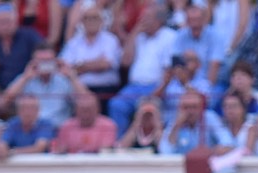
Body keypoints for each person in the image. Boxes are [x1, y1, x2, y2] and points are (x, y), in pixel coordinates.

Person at [109, 4, 177, 136]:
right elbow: (125, 62)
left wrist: (156, 93)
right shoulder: (139, 36)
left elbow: (169, 72)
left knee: (148, 107)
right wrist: (135, 32)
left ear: (159, 20)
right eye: (142, 18)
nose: (143, 22)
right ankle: (119, 144)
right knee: (116, 104)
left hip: (156, 86)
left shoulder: (169, 37)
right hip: (134, 87)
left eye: (147, 18)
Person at [2, 43, 88, 129]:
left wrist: (72, 77)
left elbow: (87, 102)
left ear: (55, 61)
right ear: (33, 61)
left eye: (48, 60)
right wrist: (24, 78)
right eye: (41, 60)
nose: (45, 63)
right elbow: (4, 102)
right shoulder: (25, 78)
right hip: (32, 130)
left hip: (59, 129)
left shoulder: (65, 79)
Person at [58, 4, 122, 111]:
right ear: (81, 22)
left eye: (95, 18)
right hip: (78, 88)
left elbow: (106, 64)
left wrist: (79, 67)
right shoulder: (74, 43)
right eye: (87, 18)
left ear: (102, 21)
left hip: (105, 89)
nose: (91, 21)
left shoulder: (110, 40)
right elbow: (63, 67)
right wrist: (95, 64)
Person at [157, 88, 233, 154]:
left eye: (194, 107)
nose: (190, 111)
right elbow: (165, 151)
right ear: (180, 108)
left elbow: (227, 141)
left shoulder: (209, 117)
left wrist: (214, 151)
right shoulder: (176, 121)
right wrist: (176, 127)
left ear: (201, 108)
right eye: (186, 107)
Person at [0, 2, 43, 92]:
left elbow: (45, 53)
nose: (4, 26)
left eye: (7, 21)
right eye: (0, 22)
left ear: (16, 22)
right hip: (0, 92)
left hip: (28, 89)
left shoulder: (29, 35)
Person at [51, 91, 117, 153]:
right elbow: (61, 151)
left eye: (89, 110)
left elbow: (105, 151)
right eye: (82, 110)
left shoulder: (108, 125)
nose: (86, 115)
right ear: (76, 110)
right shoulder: (66, 126)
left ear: (98, 109)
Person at [0, 93, 55, 158]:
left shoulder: (45, 124)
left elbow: (39, 148)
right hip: (16, 166)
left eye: (32, 108)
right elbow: (2, 142)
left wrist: (10, 152)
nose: (27, 112)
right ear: (18, 111)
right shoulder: (13, 123)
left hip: (40, 165)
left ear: (38, 110)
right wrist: (0, 148)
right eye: (23, 108)